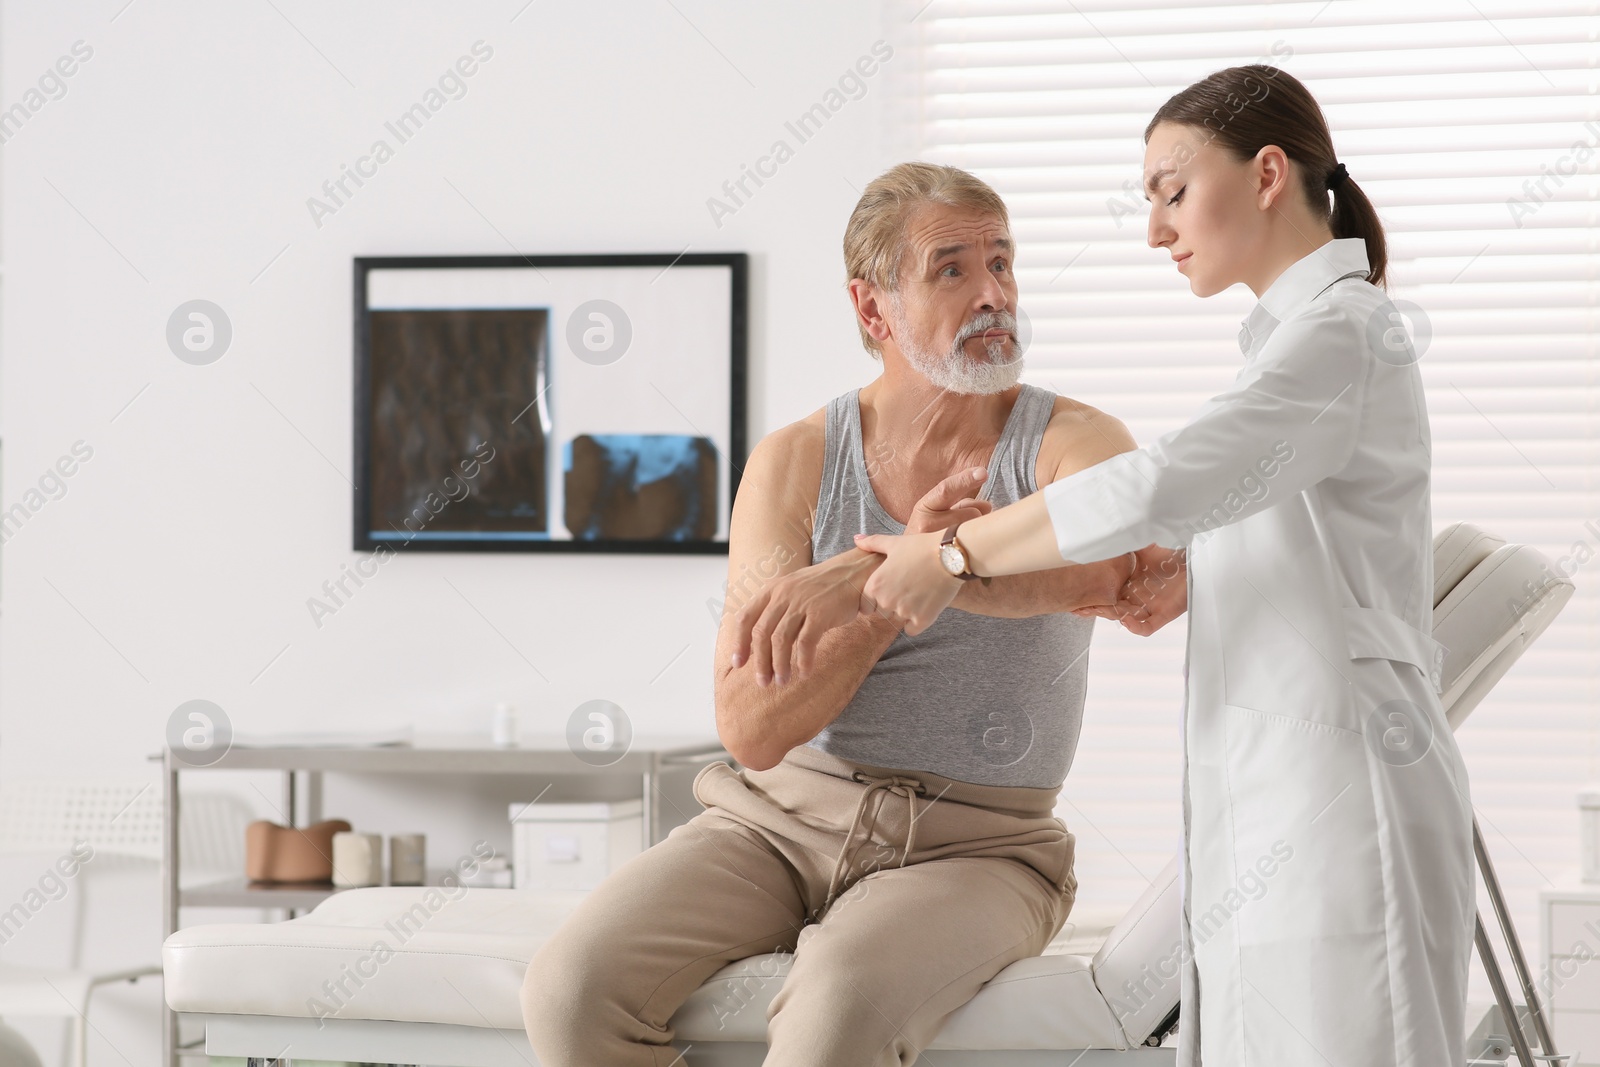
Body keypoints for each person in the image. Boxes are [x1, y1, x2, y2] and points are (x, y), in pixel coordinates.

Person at [732, 65, 1476, 1067]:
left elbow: (1160, 486)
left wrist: (946, 553)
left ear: (1265, 174)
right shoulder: (1294, 343)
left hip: (1341, 798)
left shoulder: (1338, 336)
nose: (1156, 229)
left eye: (1173, 191)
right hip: (1278, 791)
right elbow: (1178, 545)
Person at [521, 161, 1177, 1066]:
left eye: (1003, 262)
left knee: (834, 1013)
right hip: (772, 825)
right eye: (952, 269)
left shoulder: (1071, 441)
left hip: (977, 847)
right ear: (874, 311)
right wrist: (881, 594)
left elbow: (1117, 575)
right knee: (570, 987)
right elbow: (751, 727)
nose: (994, 292)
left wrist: (922, 563)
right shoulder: (795, 461)